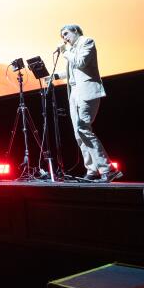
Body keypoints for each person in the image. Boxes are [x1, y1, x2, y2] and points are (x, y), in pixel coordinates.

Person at [53, 24, 121, 183]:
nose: (64, 38)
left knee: (83, 127)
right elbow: (72, 70)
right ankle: (92, 170)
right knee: (78, 133)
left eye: (66, 34)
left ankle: (108, 169)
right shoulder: (72, 49)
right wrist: (54, 76)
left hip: (87, 90)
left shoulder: (87, 42)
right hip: (74, 93)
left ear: (75, 31)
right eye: (62, 36)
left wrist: (65, 52)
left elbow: (81, 62)